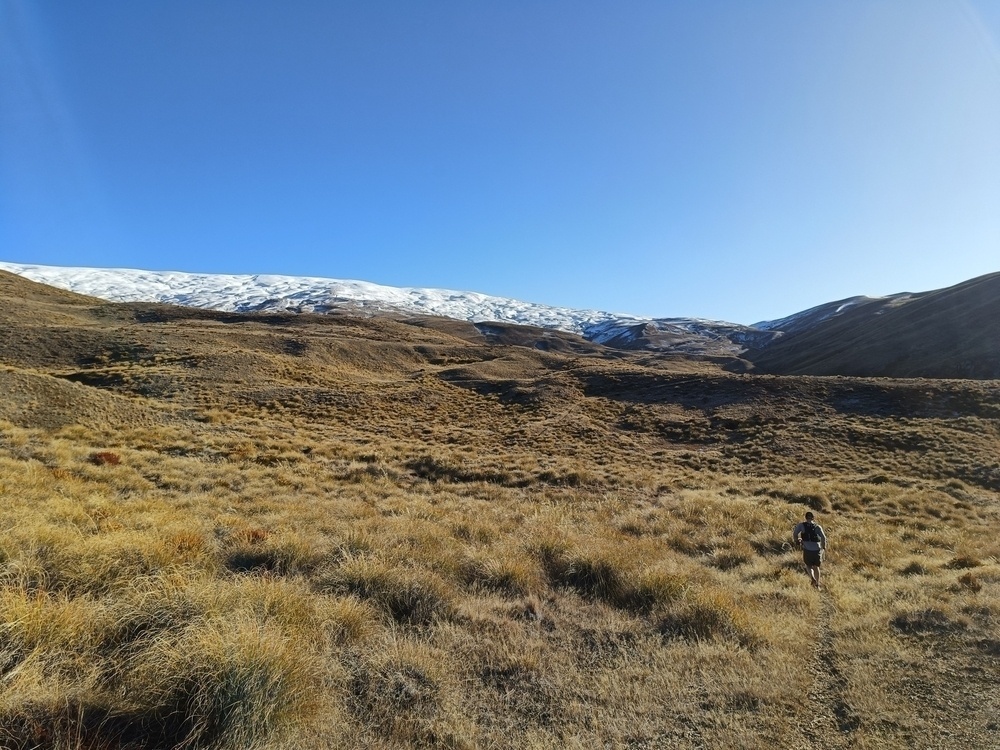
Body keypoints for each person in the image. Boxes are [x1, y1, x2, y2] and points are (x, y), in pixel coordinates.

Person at [792, 511, 827, 590]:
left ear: (805, 517)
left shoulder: (801, 525)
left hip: (807, 549)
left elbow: (795, 533)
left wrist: (797, 540)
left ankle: (812, 577)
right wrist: (823, 547)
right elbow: (824, 538)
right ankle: (817, 585)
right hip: (817, 550)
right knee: (816, 567)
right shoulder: (818, 526)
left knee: (808, 565)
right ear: (813, 518)